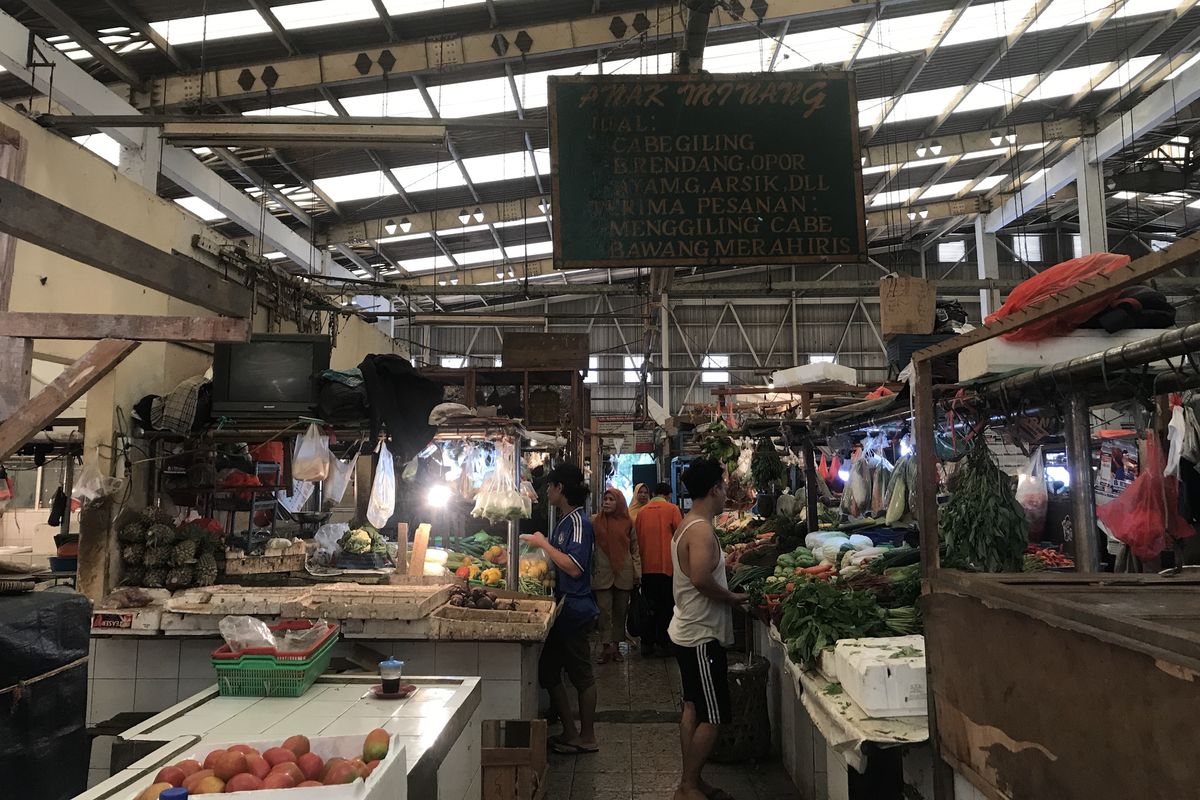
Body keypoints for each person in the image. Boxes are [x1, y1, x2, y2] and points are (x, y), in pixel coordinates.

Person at [669, 459, 748, 800]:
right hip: (701, 634)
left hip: (688, 630)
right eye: (725, 484)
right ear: (714, 488)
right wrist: (731, 597)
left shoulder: (689, 524)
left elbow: (701, 571)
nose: (727, 490)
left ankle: (693, 782)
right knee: (714, 716)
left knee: (693, 708)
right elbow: (700, 577)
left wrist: (722, 566)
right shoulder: (700, 529)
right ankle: (688, 785)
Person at [520, 463, 601, 755]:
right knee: (549, 672)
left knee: (582, 675)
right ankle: (570, 731)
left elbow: (575, 567)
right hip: (562, 610)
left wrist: (543, 542)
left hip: (576, 609)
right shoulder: (565, 521)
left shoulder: (579, 522)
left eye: (550, 486)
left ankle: (588, 736)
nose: (547, 491)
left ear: (560, 488)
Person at [592, 488, 641, 664]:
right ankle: (606, 648)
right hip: (602, 573)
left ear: (619, 502)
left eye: (611, 499)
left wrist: (637, 572)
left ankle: (617, 646)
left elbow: (635, 549)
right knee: (604, 612)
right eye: (605, 499)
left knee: (621, 611)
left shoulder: (628, 522)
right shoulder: (595, 521)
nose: (607, 502)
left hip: (624, 573)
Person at [633, 482, 683, 657]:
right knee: (666, 606)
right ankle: (663, 642)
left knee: (649, 607)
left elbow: (636, 540)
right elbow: (681, 537)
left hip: (646, 568)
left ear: (654, 493)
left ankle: (646, 643)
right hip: (666, 568)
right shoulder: (672, 509)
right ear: (668, 495)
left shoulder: (642, 512)